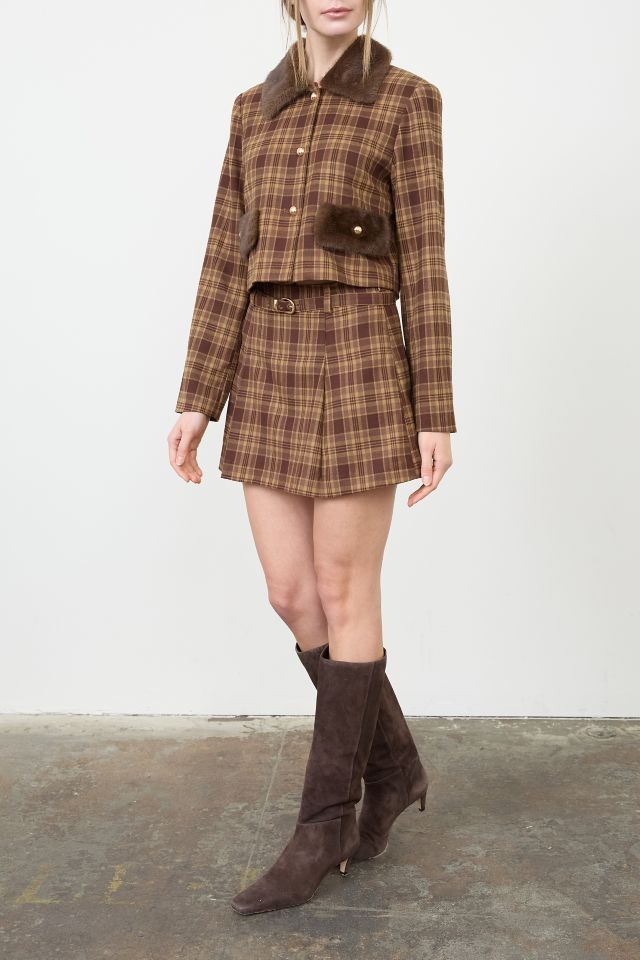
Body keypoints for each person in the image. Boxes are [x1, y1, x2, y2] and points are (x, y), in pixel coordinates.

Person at [167, 0, 457, 916]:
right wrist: (197, 396)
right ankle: (395, 767)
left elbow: (426, 262)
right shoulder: (251, 110)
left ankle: (323, 824)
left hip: (359, 360)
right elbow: (224, 260)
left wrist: (435, 407)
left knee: (344, 589)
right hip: (267, 364)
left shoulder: (407, 99)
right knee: (290, 594)